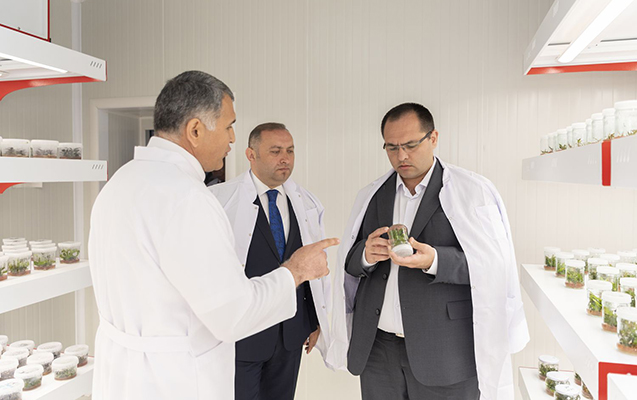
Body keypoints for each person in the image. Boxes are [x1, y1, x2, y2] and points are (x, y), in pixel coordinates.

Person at [88, 71, 338, 400]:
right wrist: (296, 271)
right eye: (228, 126)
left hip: (125, 376)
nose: (232, 139)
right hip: (176, 379)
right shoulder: (188, 198)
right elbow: (233, 314)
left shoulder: (120, 182)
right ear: (195, 130)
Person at [327, 103, 528, 400]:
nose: (401, 156)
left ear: (433, 138)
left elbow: (494, 266)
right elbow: (350, 261)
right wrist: (366, 256)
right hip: (377, 351)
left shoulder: (472, 191)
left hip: (445, 352)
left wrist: (435, 260)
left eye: (410, 145)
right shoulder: (372, 194)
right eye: (392, 147)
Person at [210, 122, 331, 400]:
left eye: (290, 151)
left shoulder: (306, 202)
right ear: (251, 155)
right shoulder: (220, 200)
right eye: (275, 151)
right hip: (242, 335)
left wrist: (314, 320)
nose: (285, 158)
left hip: (290, 334)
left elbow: (312, 266)